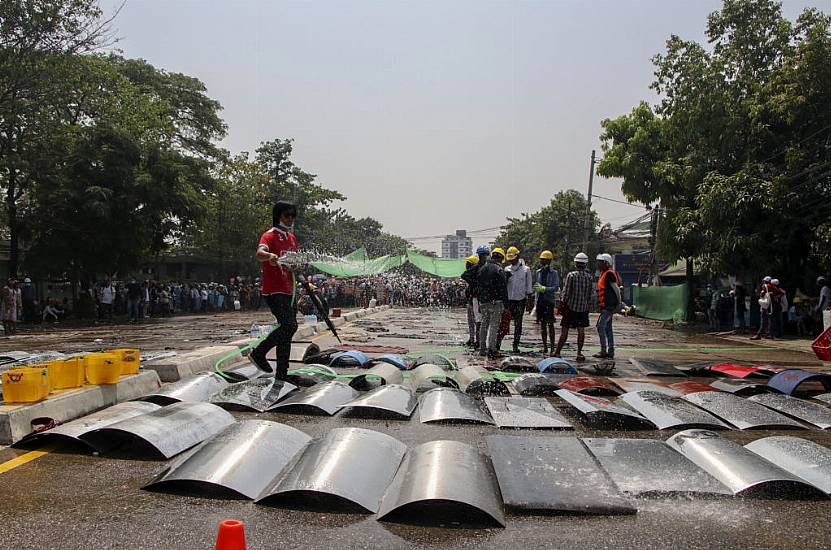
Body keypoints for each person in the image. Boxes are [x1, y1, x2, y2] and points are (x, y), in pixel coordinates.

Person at [249, 201, 300, 379]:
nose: (291, 219)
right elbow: (259, 253)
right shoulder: (269, 236)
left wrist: (296, 267)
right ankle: (259, 352)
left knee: (287, 332)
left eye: (293, 215)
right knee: (289, 325)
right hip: (275, 291)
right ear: (279, 215)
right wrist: (269, 256)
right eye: (287, 215)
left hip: (290, 290)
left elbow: (293, 262)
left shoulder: (292, 238)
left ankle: (282, 374)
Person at [553, 253, 593, 360]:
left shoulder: (571, 275)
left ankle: (557, 352)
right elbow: (590, 294)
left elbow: (566, 292)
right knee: (581, 330)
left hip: (571, 307)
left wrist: (562, 303)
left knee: (565, 330)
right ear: (585, 264)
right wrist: (588, 305)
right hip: (583, 308)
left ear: (575, 263)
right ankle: (579, 353)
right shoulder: (589, 277)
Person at [477, 246, 508, 359]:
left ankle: (482, 348)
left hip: (484, 302)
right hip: (496, 302)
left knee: (484, 325)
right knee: (494, 326)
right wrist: (506, 305)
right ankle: (492, 349)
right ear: (500, 259)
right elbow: (503, 288)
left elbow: (478, 286)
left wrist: (480, 301)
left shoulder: (482, 269)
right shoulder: (499, 270)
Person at [503, 246, 533, 353]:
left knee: (518, 323)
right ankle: (498, 343)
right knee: (504, 323)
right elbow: (503, 286)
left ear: (518, 257)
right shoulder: (506, 269)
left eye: (513, 258)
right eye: (509, 258)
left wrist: (530, 301)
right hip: (509, 300)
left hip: (520, 300)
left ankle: (515, 345)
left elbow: (529, 287)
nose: (511, 260)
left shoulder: (526, 270)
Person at [533, 250, 560, 355]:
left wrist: (545, 289)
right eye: (541, 260)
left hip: (549, 301)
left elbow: (556, 287)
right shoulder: (538, 272)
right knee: (542, 325)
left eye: (543, 260)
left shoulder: (554, 273)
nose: (541, 262)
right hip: (540, 301)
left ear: (548, 261)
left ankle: (552, 347)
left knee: (550, 324)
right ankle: (545, 347)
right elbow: (537, 286)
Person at [595, 253, 620, 359]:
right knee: (608, 328)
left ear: (606, 263)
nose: (598, 264)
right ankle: (610, 351)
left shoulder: (609, 274)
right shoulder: (603, 273)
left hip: (609, 306)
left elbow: (616, 289)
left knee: (600, 326)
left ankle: (603, 350)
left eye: (600, 262)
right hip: (605, 306)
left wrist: (619, 303)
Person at [460, 254, 481, 347]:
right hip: (470, 301)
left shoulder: (478, 275)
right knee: (471, 321)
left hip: (476, 300)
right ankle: (472, 338)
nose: (466, 265)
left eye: (468, 264)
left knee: (477, 321)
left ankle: (477, 339)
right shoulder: (471, 275)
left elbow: (463, 275)